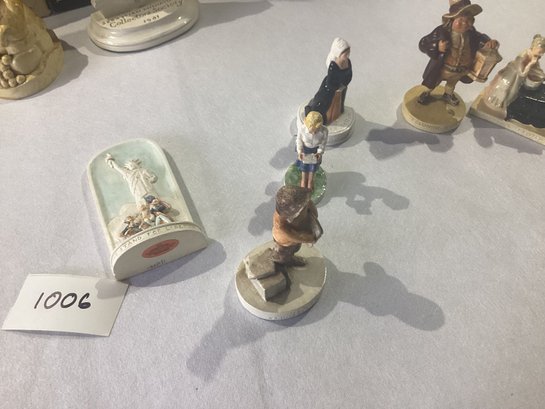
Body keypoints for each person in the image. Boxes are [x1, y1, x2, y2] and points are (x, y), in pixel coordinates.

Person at [417, 0, 499, 106]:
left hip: (461, 69)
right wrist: (437, 46)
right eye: (460, 20)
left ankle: (448, 94)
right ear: (451, 19)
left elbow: (481, 38)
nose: (464, 23)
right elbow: (423, 43)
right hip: (443, 68)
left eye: (468, 20)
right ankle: (426, 93)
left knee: (452, 84)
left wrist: (489, 42)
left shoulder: (472, 34)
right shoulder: (441, 32)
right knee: (434, 82)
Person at [482, 34, 545, 119]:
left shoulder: (535, 57)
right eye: (540, 52)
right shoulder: (524, 55)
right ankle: (496, 105)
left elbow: (536, 69)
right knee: (506, 89)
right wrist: (531, 64)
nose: (541, 55)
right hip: (512, 74)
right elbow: (521, 72)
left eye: (542, 53)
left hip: (518, 76)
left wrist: (541, 75)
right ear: (533, 47)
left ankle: (504, 106)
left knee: (513, 92)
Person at [271, 186, 323, 267]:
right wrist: (310, 238)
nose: (304, 206)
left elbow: (310, 206)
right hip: (285, 242)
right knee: (283, 254)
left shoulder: (303, 203)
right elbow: (295, 236)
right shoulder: (281, 225)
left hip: (297, 233)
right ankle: (283, 262)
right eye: (301, 207)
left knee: (295, 248)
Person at [305, 37, 352, 124]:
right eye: (345, 53)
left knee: (339, 104)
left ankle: (336, 114)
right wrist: (337, 87)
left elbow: (349, 74)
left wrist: (344, 84)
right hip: (330, 88)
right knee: (323, 102)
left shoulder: (347, 62)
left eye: (348, 52)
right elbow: (331, 81)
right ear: (339, 53)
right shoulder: (333, 65)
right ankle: (314, 112)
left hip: (341, 87)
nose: (347, 55)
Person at [296, 111, 328, 191]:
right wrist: (300, 151)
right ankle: (303, 180)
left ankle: (310, 181)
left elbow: (323, 143)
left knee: (312, 169)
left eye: (316, 130)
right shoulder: (302, 129)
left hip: (315, 152)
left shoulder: (324, 131)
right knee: (304, 168)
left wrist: (319, 152)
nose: (313, 133)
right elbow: (299, 140)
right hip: (305, 150)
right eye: (311, 131)